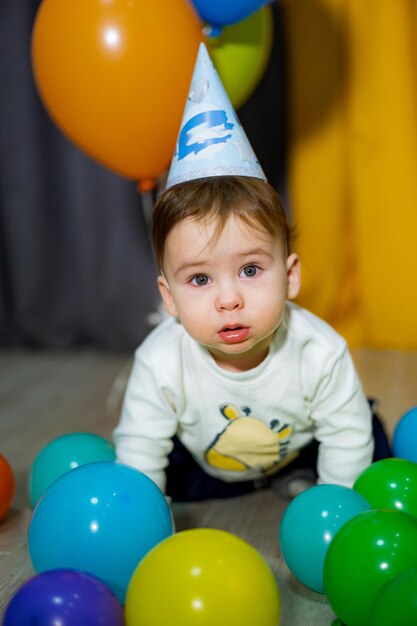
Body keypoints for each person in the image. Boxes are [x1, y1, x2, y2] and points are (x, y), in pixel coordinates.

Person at [113, 44, 390, 501]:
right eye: (200, 279)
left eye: (250, 269)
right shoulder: (161, 361)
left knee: (365, 433)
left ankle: (300, 477)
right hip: (210, 462)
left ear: (291, 275)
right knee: (145, 469)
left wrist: (337, 503)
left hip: (301, 448)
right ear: (169, 298)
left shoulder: (319, 351)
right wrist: (141, 508)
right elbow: (143, 445)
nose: (229, 299)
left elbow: (344, 434)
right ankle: (258, 483)